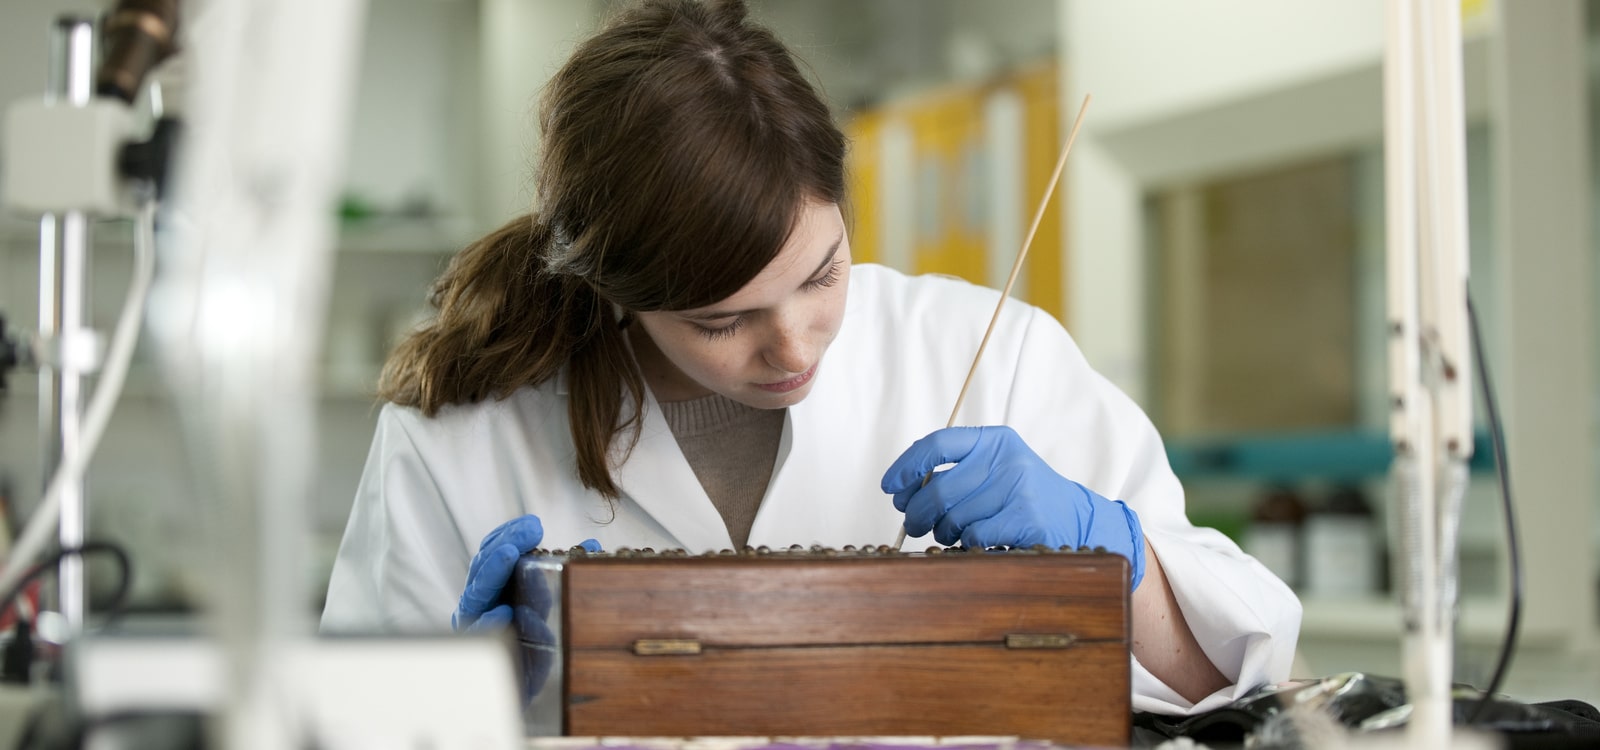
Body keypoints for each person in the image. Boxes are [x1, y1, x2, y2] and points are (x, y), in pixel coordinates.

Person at [319, 0, 1300, 716]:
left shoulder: (988, 351)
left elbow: (1228, 676)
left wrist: (1110, 553)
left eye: (821, 273)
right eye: (719, 320)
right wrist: (458, 707)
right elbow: (340, 727)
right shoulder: (464, 433)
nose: (792, 345)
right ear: (617, 295)